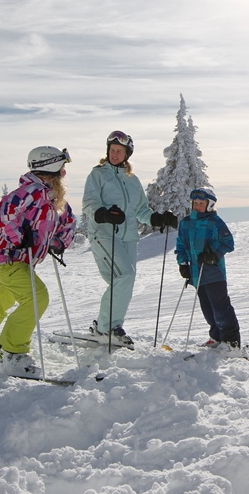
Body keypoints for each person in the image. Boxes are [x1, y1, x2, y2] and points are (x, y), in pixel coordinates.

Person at [0, 146, 75, 378]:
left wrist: (59, 242)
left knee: (0, 301)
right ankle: (13, 353)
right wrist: (18, 237)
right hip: (6, 256)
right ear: (52, 166)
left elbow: (68, 221)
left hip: (22, 261)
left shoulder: (53, 196)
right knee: (36, 298)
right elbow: (2, 213)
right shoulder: (30, 191)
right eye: (62, 166)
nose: (64, 171)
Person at [83, 130, 177, 346]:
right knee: (124, 275)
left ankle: (112, 326)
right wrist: (103, 214)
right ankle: (104, 328)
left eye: (119, 151)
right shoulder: (97, 175)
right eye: (112, 150)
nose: (114, 154)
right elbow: (89, 202)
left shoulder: (132, 180)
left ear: (127, 154)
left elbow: (141, 210)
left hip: (128, 237)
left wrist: (157, 218)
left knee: (125, 280)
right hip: (104, 233)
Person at [175, 187, 240, 348]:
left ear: (209, 204)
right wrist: (183, 264)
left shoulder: (215, 222)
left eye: (201, 203)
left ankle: (231, 342)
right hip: (197, 274)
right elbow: (180, 246)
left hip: (214, 273)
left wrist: (213, 255)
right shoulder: (186, 223)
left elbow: (228, 243)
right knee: (207, 309)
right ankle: (216, 337)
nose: (197, 206)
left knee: (220, 308)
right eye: (195, 203)